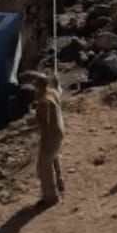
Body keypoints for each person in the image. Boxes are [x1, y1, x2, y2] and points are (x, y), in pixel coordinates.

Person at [33, 70, 65, 206]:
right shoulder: (52, 92)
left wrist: (44, 141)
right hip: (59, 131)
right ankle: (60, 182)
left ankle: (50, 197)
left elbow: (45, 124)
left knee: (43, 165)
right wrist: (57, 81)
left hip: (51, 134)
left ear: (39, 86)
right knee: (54, 158)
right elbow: (59, 90)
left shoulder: (43, 102)